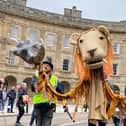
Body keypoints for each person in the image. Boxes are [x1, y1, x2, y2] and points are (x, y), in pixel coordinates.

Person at [31, 61, 64, 126]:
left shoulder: (55, 79)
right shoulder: (36, 76)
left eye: (47, 66)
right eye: (43, 66)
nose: (45, 67)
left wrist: (64, 103)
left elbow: (61, 93)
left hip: (49, 107)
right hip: (38, 106)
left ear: (51, 70)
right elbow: (33, 87)